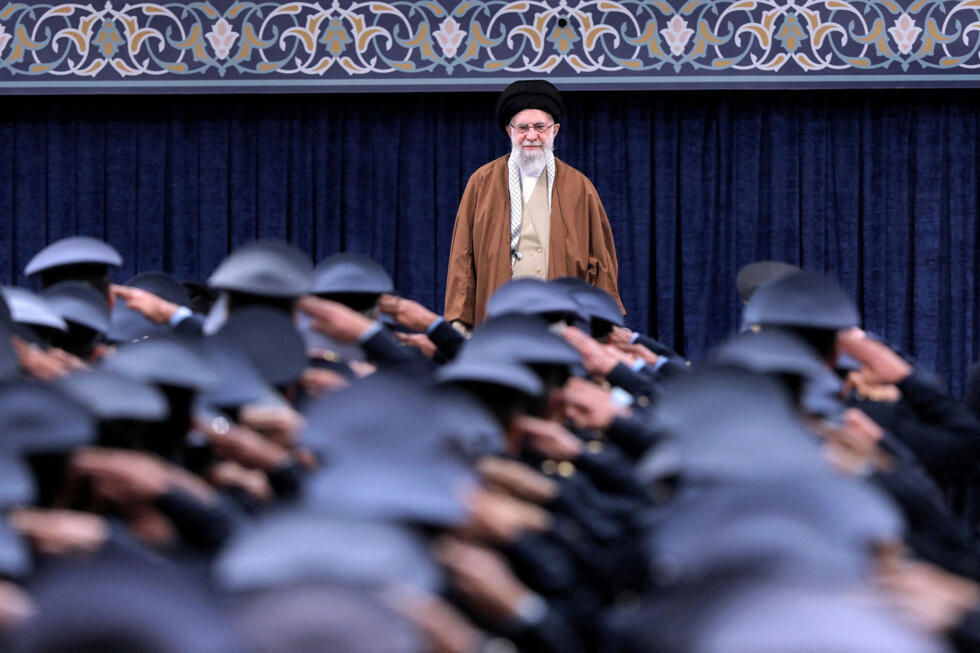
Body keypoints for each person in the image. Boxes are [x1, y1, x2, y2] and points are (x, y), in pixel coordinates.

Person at [444, 79, 622, 328]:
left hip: (561, 323)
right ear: (510, 131)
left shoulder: (579, 186)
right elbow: (463, 257)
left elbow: (601, 261)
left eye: (540, 126)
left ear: (554, 130)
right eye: (523, 128)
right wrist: (460, 321)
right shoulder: (482, 182)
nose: (531, 136)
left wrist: (603, 324)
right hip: (500, 319)